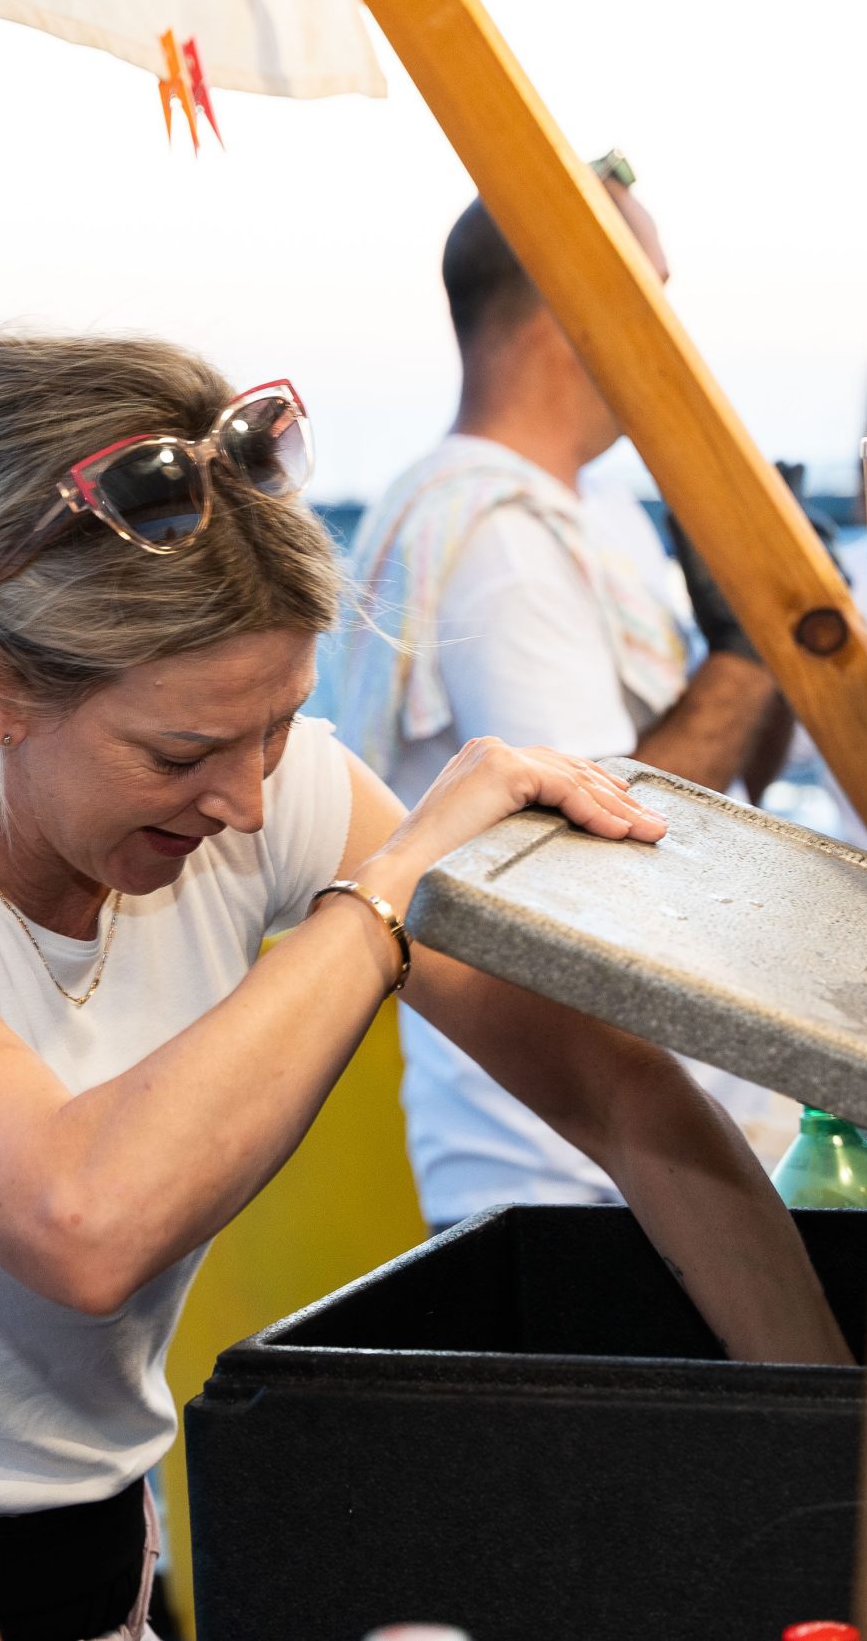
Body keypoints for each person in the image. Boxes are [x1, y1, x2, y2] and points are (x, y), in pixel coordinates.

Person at [0, 331, 852, 1641]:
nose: (246, 798)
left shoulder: (259, 789)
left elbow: (622, 1095)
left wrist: (835, 1460)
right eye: (179, 750)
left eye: (279, 725)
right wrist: (389, 893)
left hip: (102, 1576)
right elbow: (82, 1223)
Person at [329, 163, 807, 1233]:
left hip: (654, 1150)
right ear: (569, 306)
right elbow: (589, 854)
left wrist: (774, 639)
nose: (675, 339)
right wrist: (743, 651)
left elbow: (739, 782)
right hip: (564, 1173)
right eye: (652, 298)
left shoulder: (596, 515)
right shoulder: (497, 538)